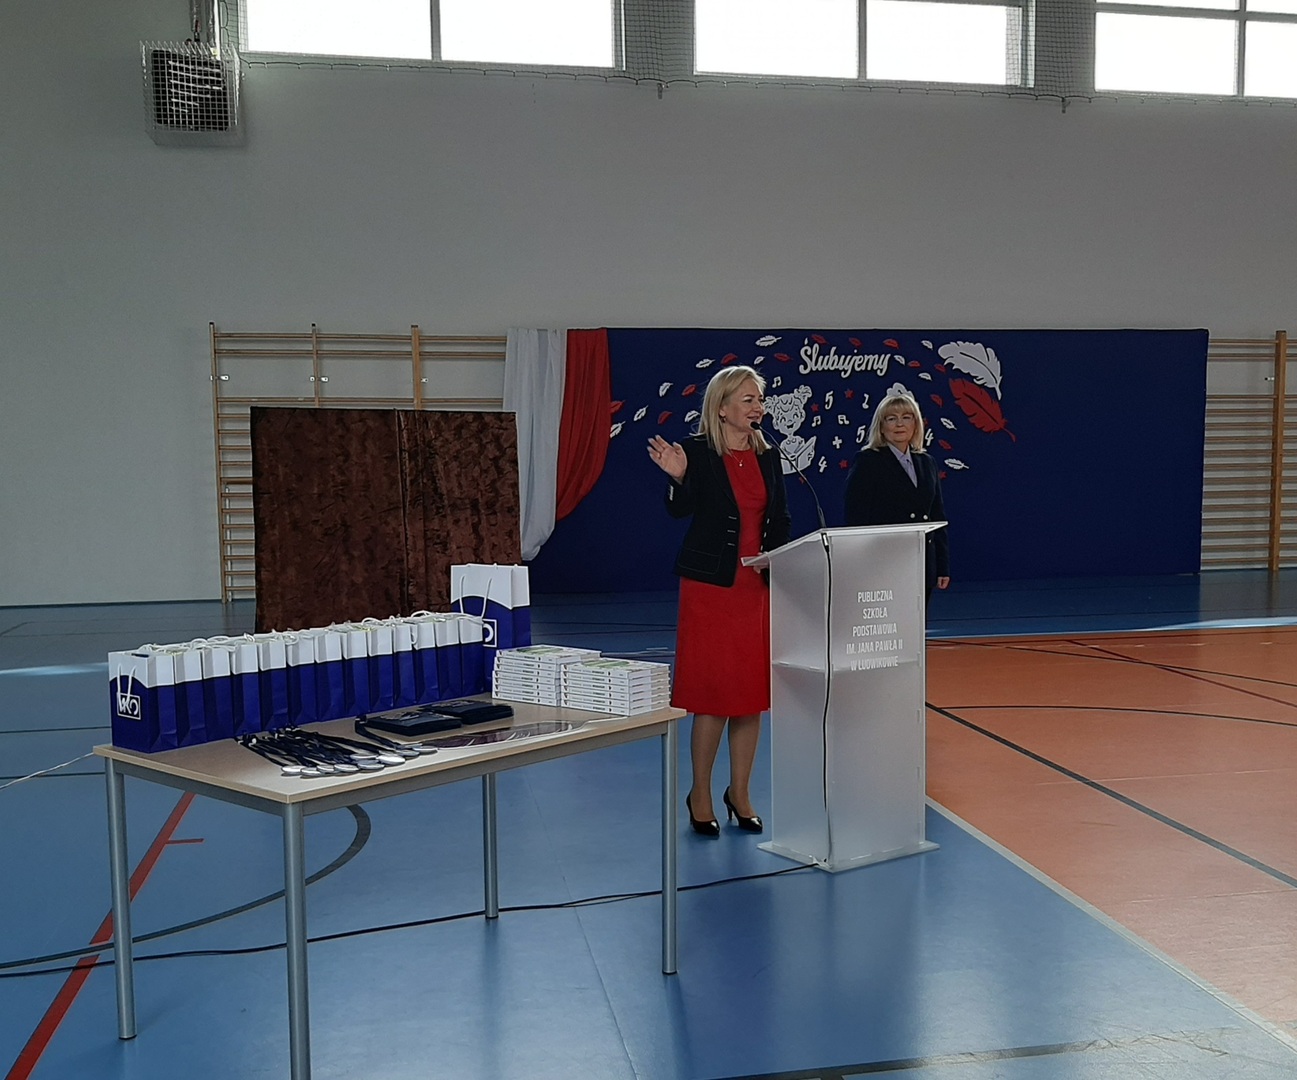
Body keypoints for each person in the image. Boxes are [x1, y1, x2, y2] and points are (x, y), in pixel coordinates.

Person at [647, 366, 791, 838]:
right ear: (723, 407)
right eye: (748, 399)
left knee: (749, 697)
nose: (758, 407)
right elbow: (679, 509)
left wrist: (779, 561)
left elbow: (780, 517)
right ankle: (701, 794)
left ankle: (740, 793)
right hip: (711, 589)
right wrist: (678, 477)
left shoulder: (768, 455)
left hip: (755, 587)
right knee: (712, 697)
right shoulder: (696, 452)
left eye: (759, 399)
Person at [843, 390, 950, 599]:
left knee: (918, 619)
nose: (899, 424)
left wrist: (942, 565)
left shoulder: (927, 462)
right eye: (891, 419)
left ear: (916, 424)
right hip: (884, 562)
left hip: (922, 562)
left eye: (906, 417)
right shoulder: (868, 461)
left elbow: (938, 516)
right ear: (881, 427)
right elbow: (856, 517)